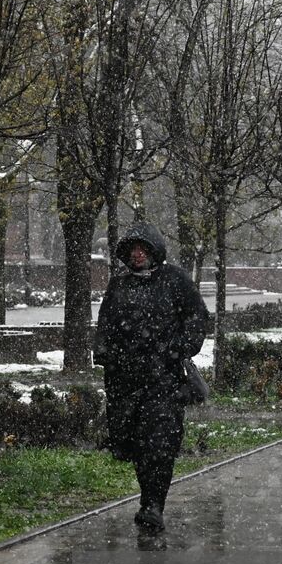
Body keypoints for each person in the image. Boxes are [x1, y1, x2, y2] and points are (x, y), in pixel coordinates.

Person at [93, 222, 210, 534]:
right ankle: (149, 496)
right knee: (135, 444)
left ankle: (153, 504)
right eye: (132, 250)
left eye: (143, 249)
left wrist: (178, 349)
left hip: (163, 380)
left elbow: (198, 319)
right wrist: (105, 353)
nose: (138, 255)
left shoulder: (175, 281)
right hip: (125, 381)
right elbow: (106, 323)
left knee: (159, 442)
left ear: (154, 249)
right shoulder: (119, 285)